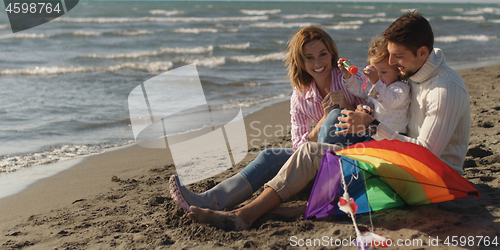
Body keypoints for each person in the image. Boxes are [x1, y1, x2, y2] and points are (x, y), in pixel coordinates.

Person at [187, 11, 471, 231]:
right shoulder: (414, 74)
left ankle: (247, 214)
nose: (392, 64)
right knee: (289, 153)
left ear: (422, 53)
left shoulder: (444, 88)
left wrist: (369, 125)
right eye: (391, 56)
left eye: (398, 57)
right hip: (400, 161)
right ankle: (241, 206)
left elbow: (426, 154)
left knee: (320, 143)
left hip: (430, 180)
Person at [169, 26, 365, 212]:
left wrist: (345, 108)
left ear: (332, 53)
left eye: (323, 54)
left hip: (357, 156)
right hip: (320, 158)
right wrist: (322, 120)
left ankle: (319, 188)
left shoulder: (349, 79)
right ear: (300, 62)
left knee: (334, 117)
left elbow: (378, 116)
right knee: (270, 156)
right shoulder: (300, 97)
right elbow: (299, 148)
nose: (318, 63)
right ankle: (211, 200)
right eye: (309, 58)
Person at [340, 35, 410, 136]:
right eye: (375, 71)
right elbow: (358, 89)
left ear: (398, 71)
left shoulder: (401, 88)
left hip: (394, 136)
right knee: (340, 117)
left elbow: (389, 102)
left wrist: (376, 81)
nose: (379, 75)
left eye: (384, 72)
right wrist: (347, 75)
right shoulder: (374, 85)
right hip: (373, 134)